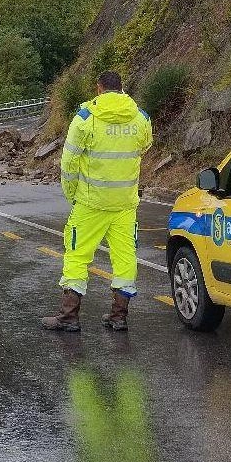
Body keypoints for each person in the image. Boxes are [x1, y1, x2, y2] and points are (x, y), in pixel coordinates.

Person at [43, 71, 153, 332]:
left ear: (98, 88)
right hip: (125, 204)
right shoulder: (141, 119)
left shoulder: (85, 119)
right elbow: (144, 147)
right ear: (122, 88)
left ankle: (69, 316)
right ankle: (119, 316)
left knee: (77, 255)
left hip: (90, 203)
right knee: (125, 257)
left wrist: (72, 193)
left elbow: (68, 163)